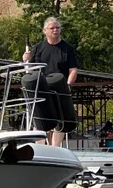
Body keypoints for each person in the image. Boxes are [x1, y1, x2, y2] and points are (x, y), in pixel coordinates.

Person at [22, 16, 79, 147]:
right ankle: (40, 148)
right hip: (41, 87)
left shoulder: (68, 49)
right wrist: (25, 58)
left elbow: (73, 70)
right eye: (52, 28)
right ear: (45, 31)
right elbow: (29, 69)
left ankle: (55, 148)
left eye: (57, 28)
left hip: (60, 87)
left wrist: (68, 86)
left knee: (60, 120)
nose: (55, 30)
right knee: (40, 118)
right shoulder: (38, 48)